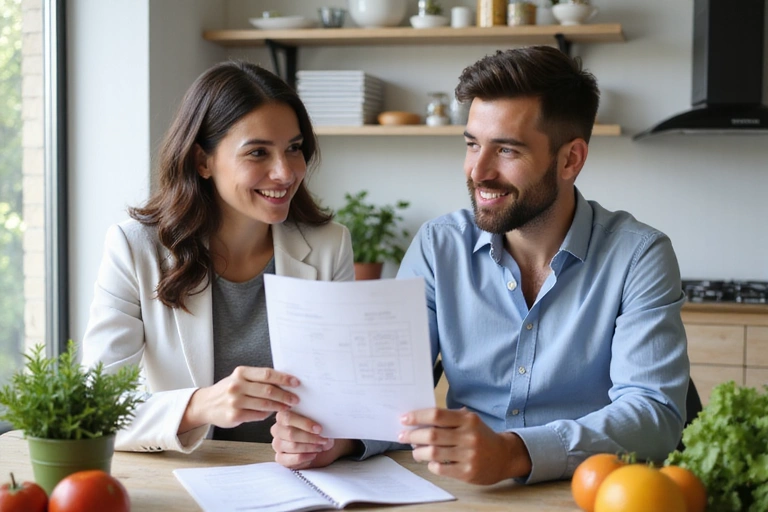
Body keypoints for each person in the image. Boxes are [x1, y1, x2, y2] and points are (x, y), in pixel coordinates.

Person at [270, 45, 690, 485]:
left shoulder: (639, 255)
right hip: (461, 493)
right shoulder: (438, 246)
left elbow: (654, 414)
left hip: (588, 493)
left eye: (506, 151)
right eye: (472, 144)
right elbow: (386, 398)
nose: (478, 171)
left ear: (571, 159)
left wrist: (515, 453)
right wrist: (336, 440)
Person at [81, 61, 354, 453]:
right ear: (202, 161)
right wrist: (200, 405)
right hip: (186, 481)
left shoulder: (330, 246)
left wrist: (328, 445)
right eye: (258, 152)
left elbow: (350, 397)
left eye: (293, 149)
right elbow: (95, 410)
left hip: (296, 479)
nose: (285, 172)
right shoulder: (133, 248)